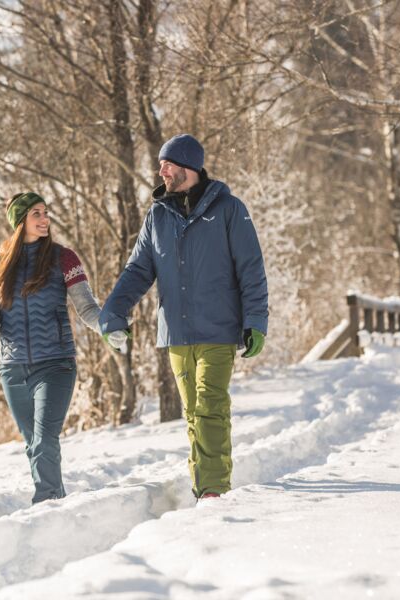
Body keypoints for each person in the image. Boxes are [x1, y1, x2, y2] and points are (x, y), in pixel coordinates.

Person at [99, 134, 268, 500]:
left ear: (188, 167)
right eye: (161, 164)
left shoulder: (228, 209)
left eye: (168, 164)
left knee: (210, 406)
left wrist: (256, 321)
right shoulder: (158, 216)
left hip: (218, 329)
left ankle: (212, 490)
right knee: (193, 413)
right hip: (176, 332)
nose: (161, 171)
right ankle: (203, 484)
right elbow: (137, 271)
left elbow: (251, 269)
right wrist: (113, 312)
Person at [0, 191, 127, 504]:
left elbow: (86, 307)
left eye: (46, 213)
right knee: (32, 442)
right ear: (20, 221)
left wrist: (107, 327)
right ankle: (56, 502)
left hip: (56, 363)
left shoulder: (63, 258)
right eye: (37, 214)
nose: (45, 220)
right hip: (13, 367)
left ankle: (45, 503)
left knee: (45, 439)